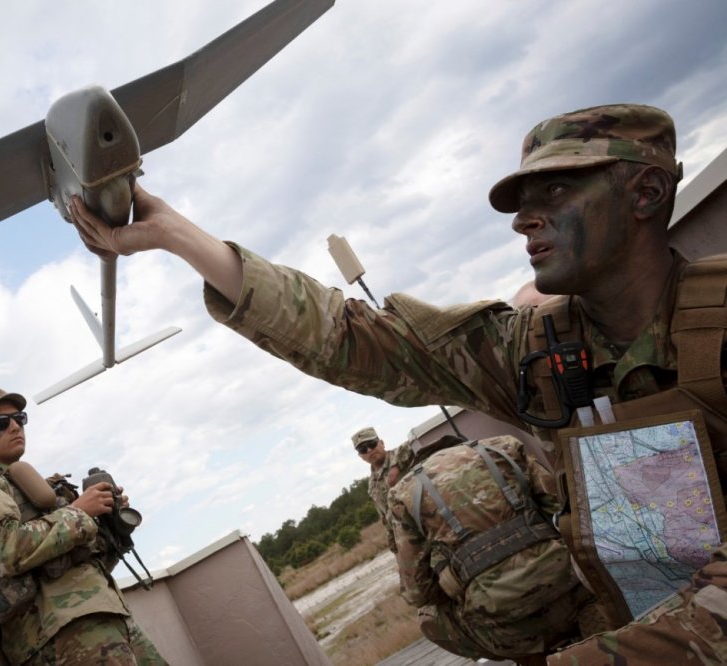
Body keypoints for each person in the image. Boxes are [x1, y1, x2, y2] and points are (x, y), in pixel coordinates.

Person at [70, 103, 727, 662]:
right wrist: (176, 236)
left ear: (644, 193)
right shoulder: (537, 350)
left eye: (556, 192)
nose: (524, 219)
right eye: (522, 202)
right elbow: (356, 340)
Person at [0, 388, 167, 666]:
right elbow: (4, 551)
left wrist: (108, 524)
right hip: (57, 634)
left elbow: (84, 566)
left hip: (103, 616)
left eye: (20, 419)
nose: (14, 426)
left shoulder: (34, 488)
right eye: (1, 422)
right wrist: (80, 512)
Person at [386, 435, 592, 665]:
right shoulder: (504, 446)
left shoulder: (403, 494)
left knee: (428, 618)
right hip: (575, 587)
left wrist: (454, 581)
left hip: (504, 624)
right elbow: (565, 512)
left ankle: (529, 656)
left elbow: (417, 593)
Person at [352, 426, 399, 551]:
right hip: (410, 540)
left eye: (372, 444)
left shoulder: (404, 455)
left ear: (382, 443)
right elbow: (386, 519)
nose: (369, 450)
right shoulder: (372, 486)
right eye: (363, 449)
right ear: (361, 456)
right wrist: (396, 549)